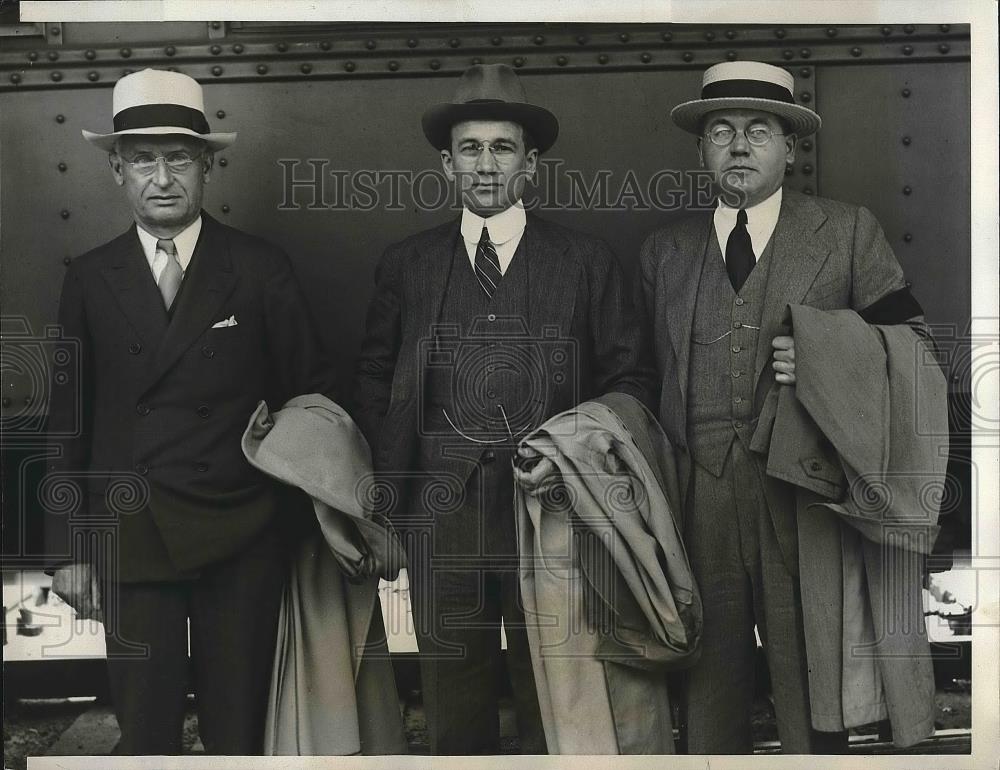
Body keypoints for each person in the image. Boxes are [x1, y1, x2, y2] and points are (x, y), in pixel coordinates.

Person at [634, 60, 940, 753]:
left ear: (790, 149)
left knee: (812, 670)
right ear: (701, 150)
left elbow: (915, 348)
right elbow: (643, 373)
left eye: (759, 131)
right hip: (699, 494)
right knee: (708, 680)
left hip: (803, 492)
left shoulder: (848, 230)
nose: (740, 146)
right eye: (722, 131)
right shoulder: (664, 252)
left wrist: (831, 357)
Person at [352, 63, 656, 755]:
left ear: (531, 163)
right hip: (442, 516)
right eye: (470, 148)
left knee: (554, 694)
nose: (485, 164)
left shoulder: (584, 261)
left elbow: (631, 380)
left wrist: (572, 457)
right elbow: (374, 375)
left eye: (502, 147)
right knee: (452, 708)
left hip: (550, 517)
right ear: (446, 163)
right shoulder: (410, 263)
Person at [44, 68, 335, 755]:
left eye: (179, 157)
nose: (162, 176)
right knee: (145, 730)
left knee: (239, 728)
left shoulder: (260, 268)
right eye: (143, 159)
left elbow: (313, 399)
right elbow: (67, 422)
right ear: (117, 170)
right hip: (131, 533)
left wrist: (288, 524)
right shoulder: (88, 277)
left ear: (207, 166)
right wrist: (69, 552)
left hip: (240, 535)